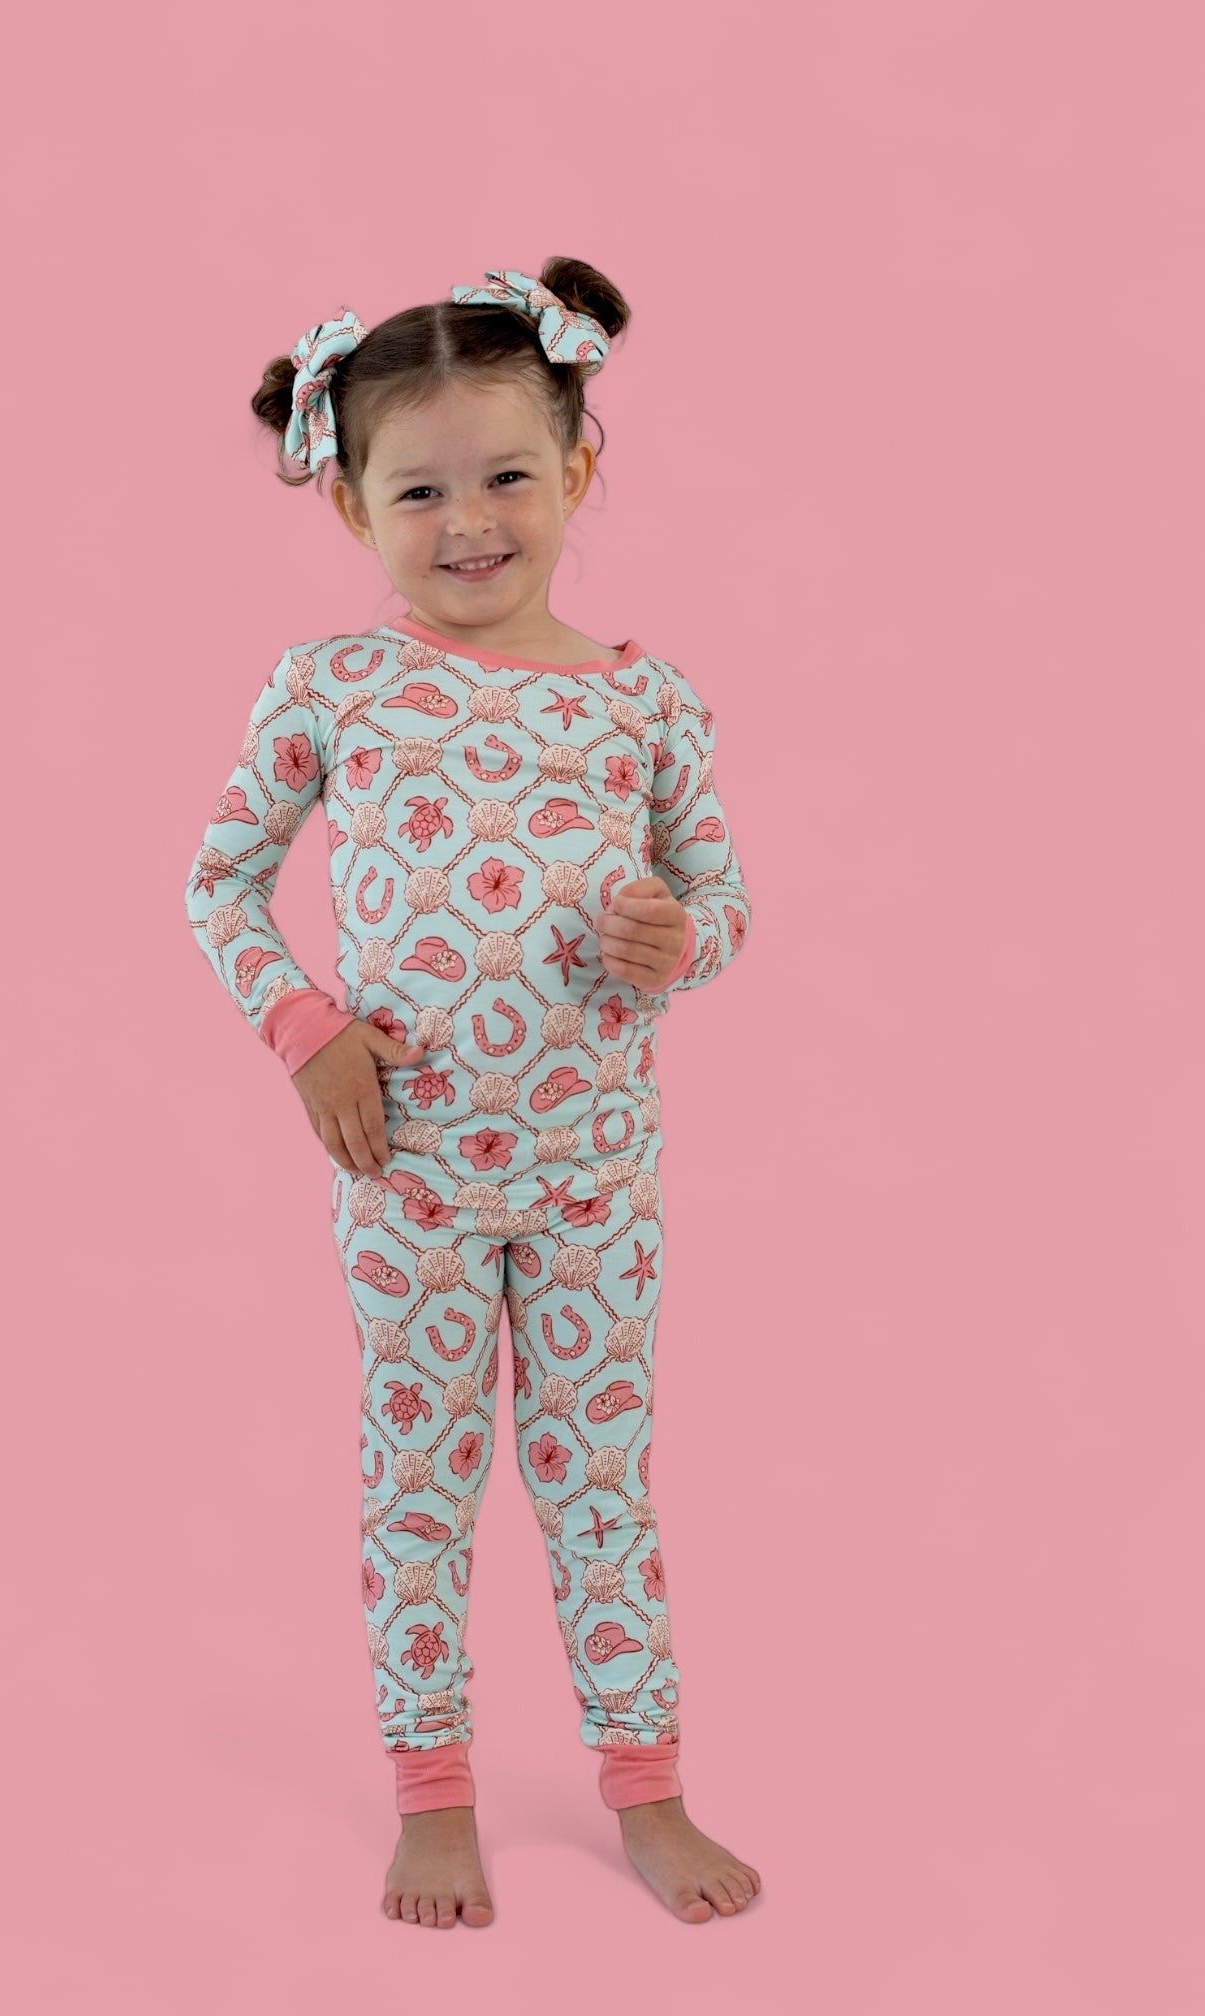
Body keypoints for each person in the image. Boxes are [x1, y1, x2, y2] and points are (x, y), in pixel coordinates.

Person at [184, 260, 762, 1929]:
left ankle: (646, 1785)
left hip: (595, 1183)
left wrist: (678, 941)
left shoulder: (644, 700)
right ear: (349, 504)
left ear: (578, 465)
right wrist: (307, 1026)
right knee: (420, 1485)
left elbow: (727, 900)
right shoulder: (333, 685)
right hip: (411, 1180)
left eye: (507, 474)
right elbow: (219, 883)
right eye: (418, 491)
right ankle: (431, 1791)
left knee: (601, 1485)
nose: (470, 522)